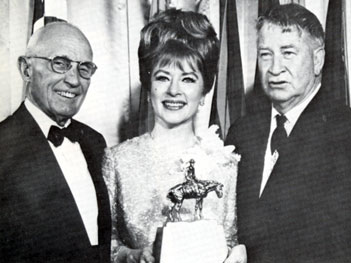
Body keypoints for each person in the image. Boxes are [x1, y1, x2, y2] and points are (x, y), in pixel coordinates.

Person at [103, 9, 246, 263]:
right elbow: (106, 246)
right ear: (148, 87)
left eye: (188, 79)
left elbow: (232, 242)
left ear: (204, 92)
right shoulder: (117, 161)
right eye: (162, 77)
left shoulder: (226, 165)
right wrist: (135, 256)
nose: (173, 91)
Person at [225, 3, 351, 262]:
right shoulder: (241, 134)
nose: (274, 68)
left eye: (288, 53)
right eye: (265, 54)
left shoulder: (344, 131)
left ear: (318, 60)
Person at [0, 22, 111, 262]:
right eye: (59, 63)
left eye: (84, 69)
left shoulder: (95, 142)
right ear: (26, 69)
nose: (73, 80)